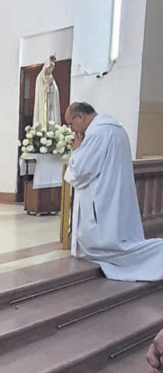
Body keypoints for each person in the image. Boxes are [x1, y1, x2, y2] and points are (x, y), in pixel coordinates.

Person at [64, 102, 163, 280]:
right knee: (118, 237)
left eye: (71, 123)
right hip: (115, 194)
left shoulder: (97, 133)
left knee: (103, 246)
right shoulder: (117, 129)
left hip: (102, 197)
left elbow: (81, 170)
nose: (72, 129)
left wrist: (76, 151)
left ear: (80, 117)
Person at [33, 54, 61, 128]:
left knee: (51, 118)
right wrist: (46, 88)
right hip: (43, 102)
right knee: (42, 118)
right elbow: (40, 91)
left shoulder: (52, 79)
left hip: (51, 103)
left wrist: (51, 87)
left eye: (52, 69)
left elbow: (55, 91)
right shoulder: (40, 78)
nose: (50, 70)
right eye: (49, 68)